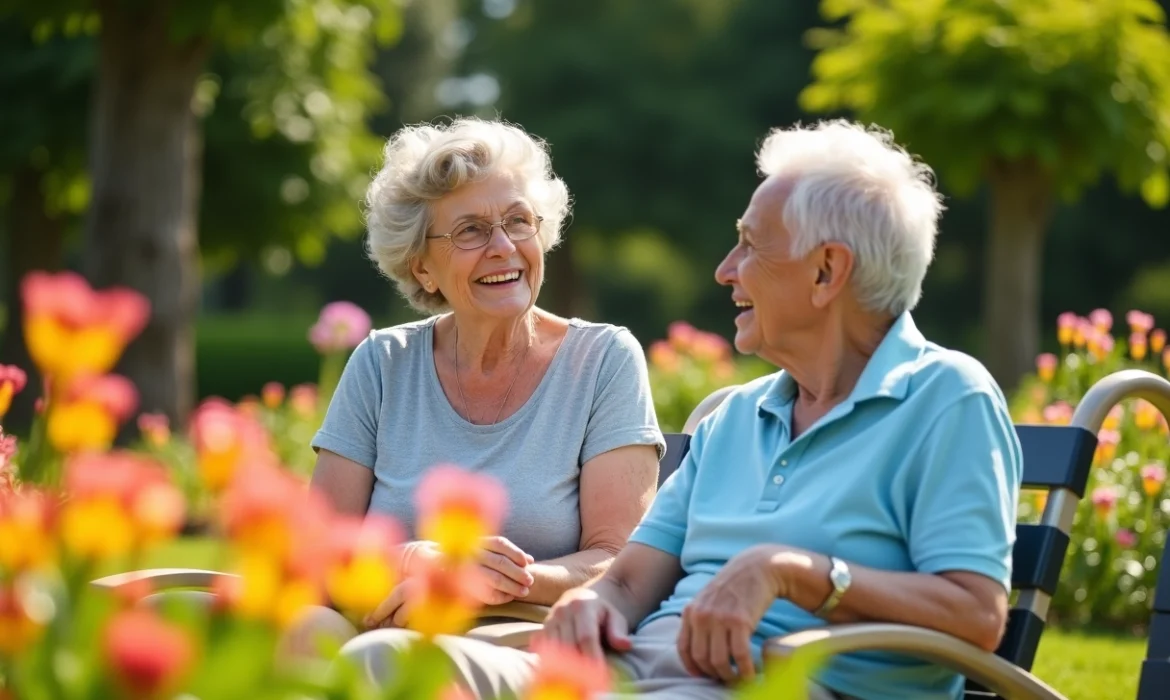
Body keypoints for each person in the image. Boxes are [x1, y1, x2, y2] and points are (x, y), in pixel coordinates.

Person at [339, 119, 1023, 700]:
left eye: (751, 246)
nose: (726, 269)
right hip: (632, 673)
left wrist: (796, 573)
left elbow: (977, 613)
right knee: (380, 665)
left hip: (762, 684)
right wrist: (588, 605)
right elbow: (628, 576)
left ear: (827, 272)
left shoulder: (944, 398)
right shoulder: (738, 418)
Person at [298, 118, 665, 649]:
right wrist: (412, 559)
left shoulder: (604, 359)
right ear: (422, 267)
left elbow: (619, 563)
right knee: (293, 631)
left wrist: (478, 583)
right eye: (470, 230)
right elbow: (318, 549)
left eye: (519, 221)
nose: (502, 246)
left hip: (524, 637)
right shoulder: (382, 362)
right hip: (380, 624)